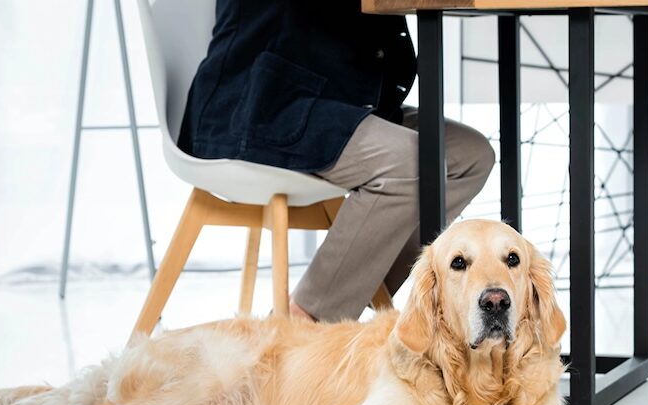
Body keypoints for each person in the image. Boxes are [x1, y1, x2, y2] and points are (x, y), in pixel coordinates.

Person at [178, 1, 495, 322]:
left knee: (468, 156)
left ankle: (357, 288)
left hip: (340, 102)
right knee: (411, 162)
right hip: (260, 105)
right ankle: (303, 321)